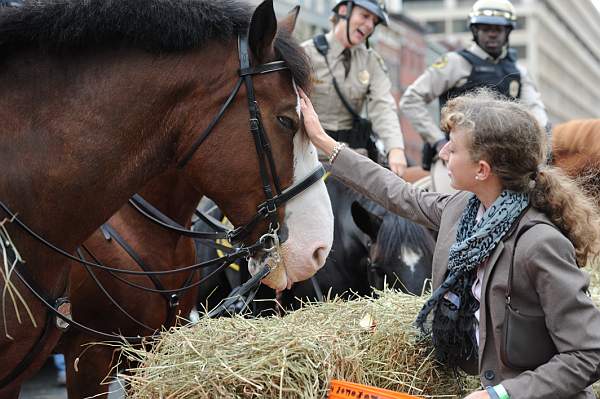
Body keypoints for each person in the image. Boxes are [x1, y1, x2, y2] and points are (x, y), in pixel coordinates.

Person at [300, 87, 600, 399]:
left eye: (453, 149)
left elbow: (587, 355)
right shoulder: (461, 209)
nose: (442, 154)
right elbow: (397, 192)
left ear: (482, 170)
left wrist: (502, 394)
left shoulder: (540, 243)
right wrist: (325, 143)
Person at [400, 0, 548, 192]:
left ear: (508, 32)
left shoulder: (519, 72)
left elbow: (537, 113)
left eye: (499, 28)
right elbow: (411, 99)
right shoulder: (454, 62)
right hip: (455, 159)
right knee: (450, 214)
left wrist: (544, 142)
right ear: (475, 30)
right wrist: (438, 141)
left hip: (504, 164)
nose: (492, 33)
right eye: (486, 28)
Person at [301, 0, 407, 176]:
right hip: (310, 157)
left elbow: (383, 107)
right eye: (365, 16)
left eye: (374, 22)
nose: (369, 25)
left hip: (351, 157)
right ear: (344, 10)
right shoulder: (306, 54)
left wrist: (395, 148)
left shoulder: (371, 61)